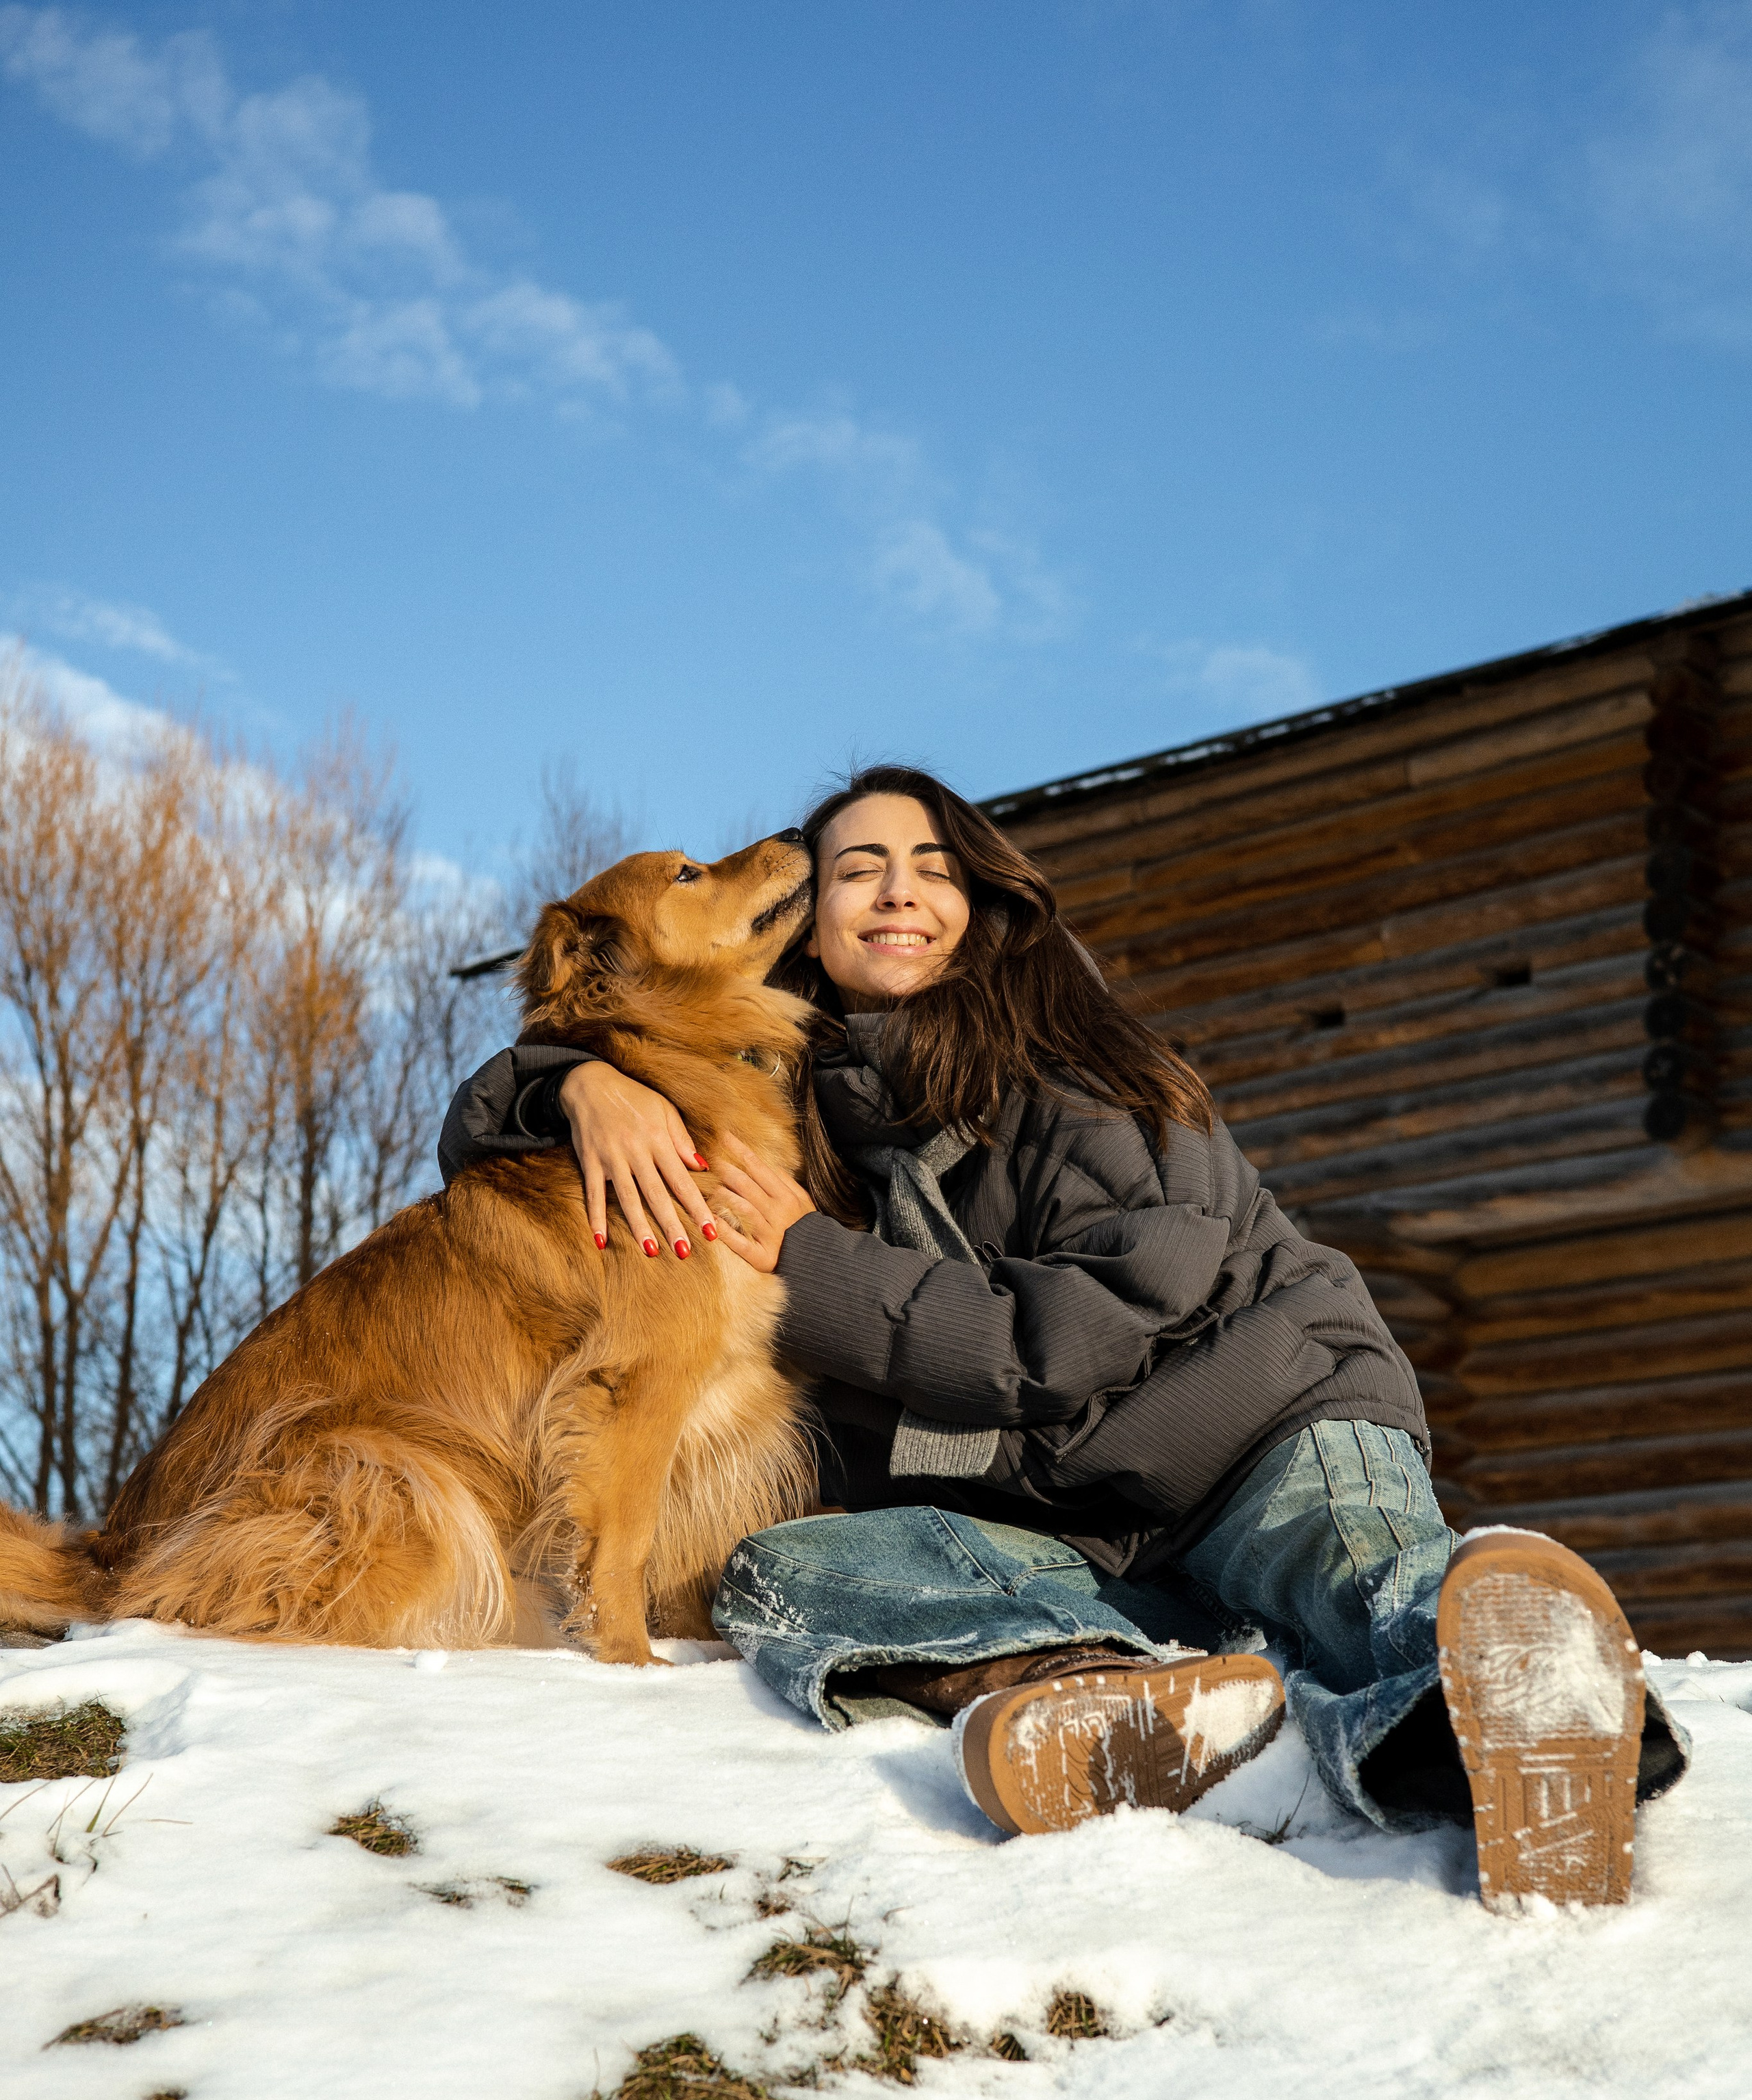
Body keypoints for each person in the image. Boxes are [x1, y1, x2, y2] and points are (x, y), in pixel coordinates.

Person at [438, 766, 1686, 1907]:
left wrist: (809, 1260)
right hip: (1071, 1533)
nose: (896, 890)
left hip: (1257, 1429)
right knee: (790, 1568)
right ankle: (1109, 1702)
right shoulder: (789, 1112)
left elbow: (1064, 1348)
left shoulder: (1087, 1072)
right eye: (856, 867)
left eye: (933, 866)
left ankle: (1532, 1704)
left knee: (1354, 1571)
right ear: (805, 925)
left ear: (981, 905)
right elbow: (534, 1101)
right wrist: (570, 1082)